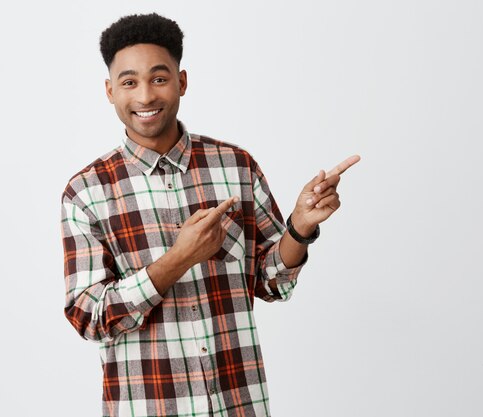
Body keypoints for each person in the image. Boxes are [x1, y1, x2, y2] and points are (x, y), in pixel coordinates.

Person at [60, 13, 359, 417]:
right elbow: (89, 316)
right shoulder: (86, 192)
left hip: (238, 403)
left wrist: (301, 225)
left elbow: (271, 282)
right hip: (149, 407)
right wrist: (179, 258)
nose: (145, 96)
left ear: (181, 82)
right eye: (129, 82)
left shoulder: (236, 166)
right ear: (110, 91)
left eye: (159, 78)